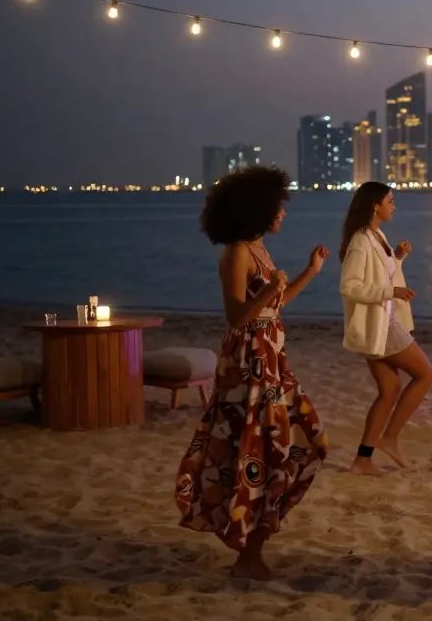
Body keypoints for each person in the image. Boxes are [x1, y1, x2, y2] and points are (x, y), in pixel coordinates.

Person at [176, 166, 330, 580]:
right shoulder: (238, 252)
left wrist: (309, 272)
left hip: (273, 359)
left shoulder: (260, 249)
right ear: (257, 209)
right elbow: (235, 317)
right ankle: (248, 555)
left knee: (305, 442)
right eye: (277, 208)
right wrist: (265, 291)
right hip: (247, 364)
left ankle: (252, 548)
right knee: (256, 453)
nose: (282, 215)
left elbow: (275, 305)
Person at [339, 181, 432, 476]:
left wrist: (397, 257)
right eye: (390, 201)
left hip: (382, 322)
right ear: (375, 205)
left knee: (389, 390)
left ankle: (363, 459)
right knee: (425, 375)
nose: (394, 206)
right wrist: (391, 293)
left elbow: (380, 273)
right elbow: (350, 286)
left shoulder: (376, 235)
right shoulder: (360, 240)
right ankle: (390, 437)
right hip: (380, 324)